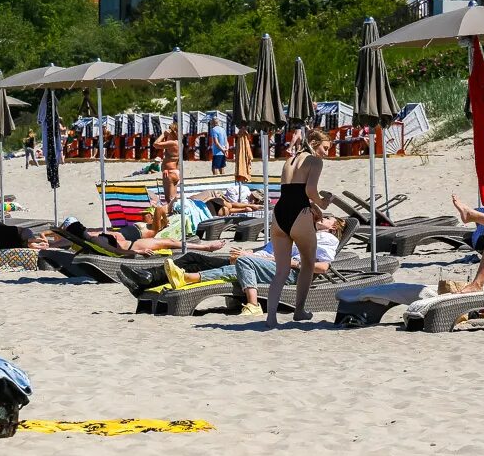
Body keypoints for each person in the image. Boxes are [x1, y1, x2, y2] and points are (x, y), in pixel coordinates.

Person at [122, 216, 346, 315]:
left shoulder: (325, 240)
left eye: (327, 218)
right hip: (256, 261)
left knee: (194, 259)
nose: (321, 218)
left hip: (264, 266)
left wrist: (251, 256)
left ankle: (150, 279)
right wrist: (250, 252)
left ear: (334, 227)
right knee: (192, 257)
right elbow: (269, 251)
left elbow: (317, 265)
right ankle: (147, 280)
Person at [265, 128, 333, 327]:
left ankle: (270, 317)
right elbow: (309, 190)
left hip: (279, 215)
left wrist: (312, 205)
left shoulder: (289, 160)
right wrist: (322, 202)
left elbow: (291, 192)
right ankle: (299, 310)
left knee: (281, 271)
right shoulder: (314, 161)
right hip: (299, 216)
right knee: (308, 264)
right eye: (325, 148)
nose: (326, 153)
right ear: (313, 143)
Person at [58, 218, 226, 256]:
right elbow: (117, 252)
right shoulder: (94, 239)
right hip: (133, 247)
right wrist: (139, 253)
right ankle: (206, 247)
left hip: (133, 243)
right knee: (169, 243)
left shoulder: (91, 237)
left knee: (170, 242)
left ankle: (205, 247)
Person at [153, 123, 181, 206]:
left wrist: (163, 134)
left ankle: (173, 216)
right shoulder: (179, 143)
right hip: (175, 171)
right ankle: (175, 214)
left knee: (169, 199)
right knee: (173, 198)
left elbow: (155, 144)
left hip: (169, 173)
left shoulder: (172, 143)